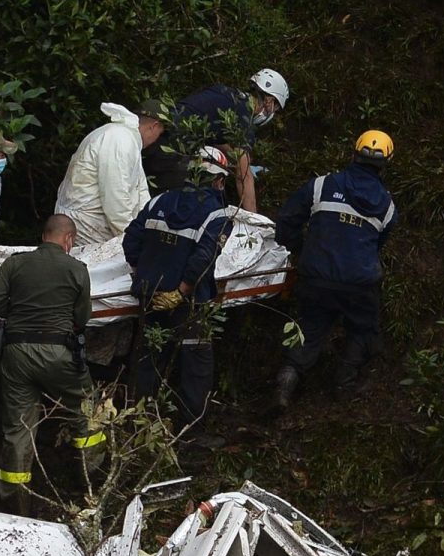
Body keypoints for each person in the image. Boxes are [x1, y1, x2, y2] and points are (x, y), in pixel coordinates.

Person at [0, 214, 106, 515]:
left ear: (43, 236)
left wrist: (21, 311)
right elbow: (82, 318)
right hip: (58, 352)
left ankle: (14, 501)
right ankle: (91, 483)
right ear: (69, 240)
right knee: (86, 409)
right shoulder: (77, 268)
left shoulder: (15, 263)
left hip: (17, 354)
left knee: (19, 426)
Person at [272, 130, 399, 408]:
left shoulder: (321, 185)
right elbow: (378, 244)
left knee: (309, 327)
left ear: (353, 153)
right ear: (385, 164)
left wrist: (301, 249)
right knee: (363, 329)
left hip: (315, 275)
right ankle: (345, 386)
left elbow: (287, 219)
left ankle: (287, 380)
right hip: (359, 283)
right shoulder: (387, 207)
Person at [123, 146, 238, 431]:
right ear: (219, 181)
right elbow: (204, 258)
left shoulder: (158, 200)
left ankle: (138, 422)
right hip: (188, 302)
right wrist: (181, 290)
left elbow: (131, 242)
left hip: (150, 296)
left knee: (149, 355)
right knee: (196, 362)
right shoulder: (217, 214)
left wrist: (145, 277)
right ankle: (190, 430)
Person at [149, 69, 289, 211]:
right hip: (171, 151)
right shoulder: (245, 117)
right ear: (269, 100)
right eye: (276, 107)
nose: (273, 112)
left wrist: (237, 160)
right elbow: (244, 177)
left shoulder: (225, 94)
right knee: (174, 209)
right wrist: (254, 222)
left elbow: (215, 136)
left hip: (153, 134)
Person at [54, 104, 164, 244]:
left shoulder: (126, 138)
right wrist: (132, 236)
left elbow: (139, 190)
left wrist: (147, 225)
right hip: (86, 224)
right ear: (153, 126)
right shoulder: (120, 139)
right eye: (159, 135)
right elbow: (115, 196)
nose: (155, 141)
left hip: (91, 222)